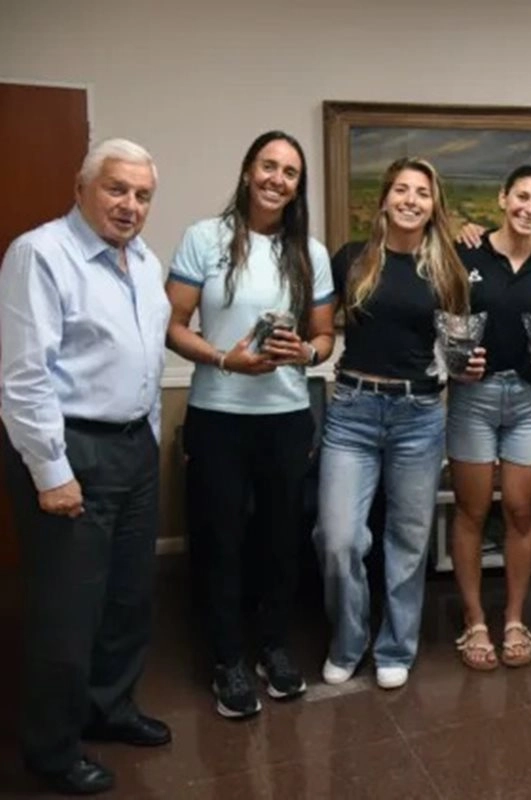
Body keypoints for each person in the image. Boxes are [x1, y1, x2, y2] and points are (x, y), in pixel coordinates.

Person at [0, 138, 171, 795]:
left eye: (142, 194)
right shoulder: (41, 254)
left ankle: (111, 708)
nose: (130, 205)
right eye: (117, 189)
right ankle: (51, 747)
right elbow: (24, 379)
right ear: (82, 187)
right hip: (73, 448)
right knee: (67, 610)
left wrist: (149, 436)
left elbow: (143, 362)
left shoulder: (143, 261)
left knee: (128, 597)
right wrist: (51, 471)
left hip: (133, 446)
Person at [166, 130, 335, 719]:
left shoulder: (308, 252)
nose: (277, 179)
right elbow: (174, 325)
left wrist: (304, 355)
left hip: (287, 417)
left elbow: (324, 338)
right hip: (218, 415)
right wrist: (222, 358)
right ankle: (226, 660)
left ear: (297, 186)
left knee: (280, 542)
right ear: (246, 171)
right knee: (219, 542)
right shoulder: (204, 239)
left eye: (289, 172)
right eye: (268, 166)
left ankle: (273, 647)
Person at [316, 157, 471, 690]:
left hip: (419, 415)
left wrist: (466, 360)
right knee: (338, 538)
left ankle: (396, 647)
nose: (410, 199)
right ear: (383, 199)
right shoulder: (352, 260)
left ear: (434, 205)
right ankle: (348, 640)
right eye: (400, 190)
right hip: (353, 411)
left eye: (422, 193)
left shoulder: (447, 266)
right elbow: (315, 325)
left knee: (407, 541)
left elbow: (456, 343)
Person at [446, 165, 531, 670]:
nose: (530, 209)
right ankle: (475, 621)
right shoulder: (466, 252)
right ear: (502, 198)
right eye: (521, 197)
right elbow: (444, 323)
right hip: (473, 398)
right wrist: (457, 360)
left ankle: (515, 619)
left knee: (521, 512)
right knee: (472, 513)